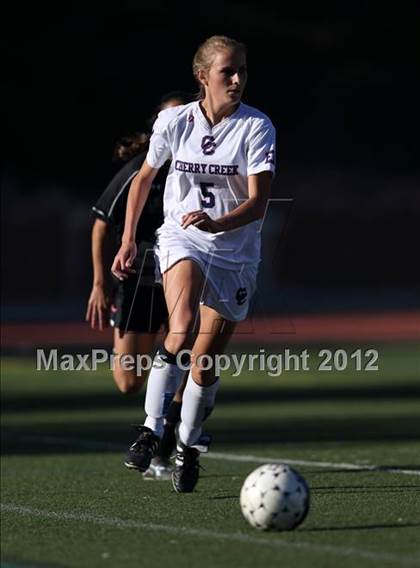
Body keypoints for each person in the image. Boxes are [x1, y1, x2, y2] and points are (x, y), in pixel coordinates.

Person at [112, 35, 276, 493]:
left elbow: (260, 203)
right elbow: (145, 177)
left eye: (243, 69)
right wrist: (127, 240)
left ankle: (186, 446)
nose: (238, 79)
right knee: (179, 327)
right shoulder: (174, 122)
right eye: (228, 71)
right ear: (203, 77)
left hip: (235, 252)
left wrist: (218, 222)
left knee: (203, 362)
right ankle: (149, 429)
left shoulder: (256, 127)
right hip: (182, 237)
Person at [86, 91, 193, 479]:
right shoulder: (139, 169)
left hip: (183, 272)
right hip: (138, 282)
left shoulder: (199, 166)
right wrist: (99, 283)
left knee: (183, 354)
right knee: (129, 381)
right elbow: (101, 224)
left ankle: (164, 449)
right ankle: (158, 407)